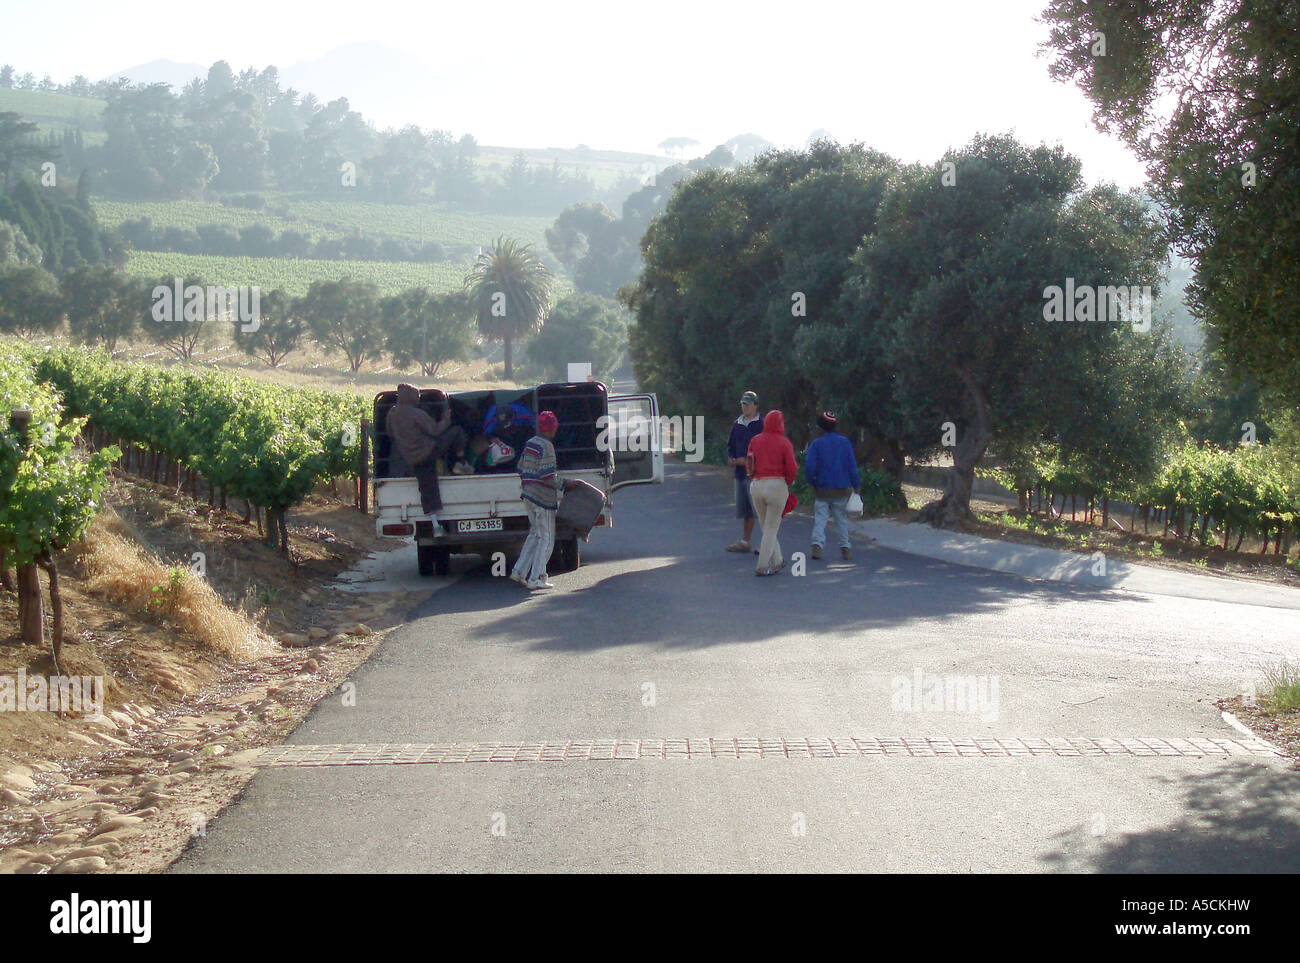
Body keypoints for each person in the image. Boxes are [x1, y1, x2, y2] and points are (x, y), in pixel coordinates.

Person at [511, 410, 577, 590]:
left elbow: (520, 467)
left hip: (528, 496)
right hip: (543, 500)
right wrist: (566, 483)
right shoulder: (547, 447)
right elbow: (547, 475)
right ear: (552, 429)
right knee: (546, 539)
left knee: (534, 535)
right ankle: (537, 577)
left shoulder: (530, 443)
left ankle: (519, 571)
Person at [386, 384, 472, 514]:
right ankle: (460, 462)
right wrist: (446, 419)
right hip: (429, 451)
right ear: (412, 397)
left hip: (411, 458)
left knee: (427, 486)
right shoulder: (416, 413)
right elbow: (435, 430)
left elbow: (390, 433)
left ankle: (434, 521)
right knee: (457, 432)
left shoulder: (392, 414)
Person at [745, 409, 798, 576]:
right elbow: (792, 467)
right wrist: (789, 482)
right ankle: (762, 565)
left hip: (757, 485)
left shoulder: (755, 440)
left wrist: (754, 476)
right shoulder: (784, 443)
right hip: (776, 485)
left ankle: (777, 561)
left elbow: (750, 463)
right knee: (771, 527)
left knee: (765, 526)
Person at [805, 411, 861, 561]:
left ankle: (817, 545)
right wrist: (856, 485)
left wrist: (812, 482)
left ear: (822, 428)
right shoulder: (845, 442)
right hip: (841, 490)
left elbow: (810, 467)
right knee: (841, 519)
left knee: (820, 518)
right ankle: (845, 548)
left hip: (822, 490)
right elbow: (852, 466)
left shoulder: (817, 444)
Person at [725, 390, 765, 553]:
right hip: (740, 473)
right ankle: (745, 541)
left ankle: (766, 543)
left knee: (760, 510)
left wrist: (747, 460)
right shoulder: (737, 424)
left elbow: (765, 448)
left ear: (755, 405)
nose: (745, 407)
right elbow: (730, 445)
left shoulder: (761, 424)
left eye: (748, 404)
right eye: (743, 404)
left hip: (757, 475)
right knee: (746, 509)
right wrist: (731, 458)